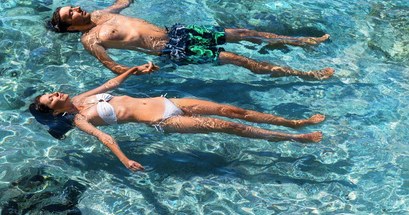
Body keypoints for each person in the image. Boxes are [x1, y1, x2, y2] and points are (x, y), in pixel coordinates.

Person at [29, 63, 325, 172]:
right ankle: (293, 137)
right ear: (54, 111)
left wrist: (134, 70)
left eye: (50, 92)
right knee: (230, 126)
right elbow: (104, 137)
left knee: (236, 111)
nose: (55, 93)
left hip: (167, 102)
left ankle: (293, 122)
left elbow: (110, 84)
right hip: (165, 121)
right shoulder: (80, 120)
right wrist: (125, 159)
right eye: (50, 99)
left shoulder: (82, 98)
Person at [46, 0, 334, 80]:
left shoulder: (99, 15)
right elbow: (112, 66)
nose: (78, 8)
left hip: (177, 32)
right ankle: (304, 74)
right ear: (70, 27)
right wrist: (138, 70)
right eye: (72, 12)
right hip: (172, 49)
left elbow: (121, 5)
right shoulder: (91, 40)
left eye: (73, 7)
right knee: (237, 59)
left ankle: (303, 42)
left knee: (243, 33)